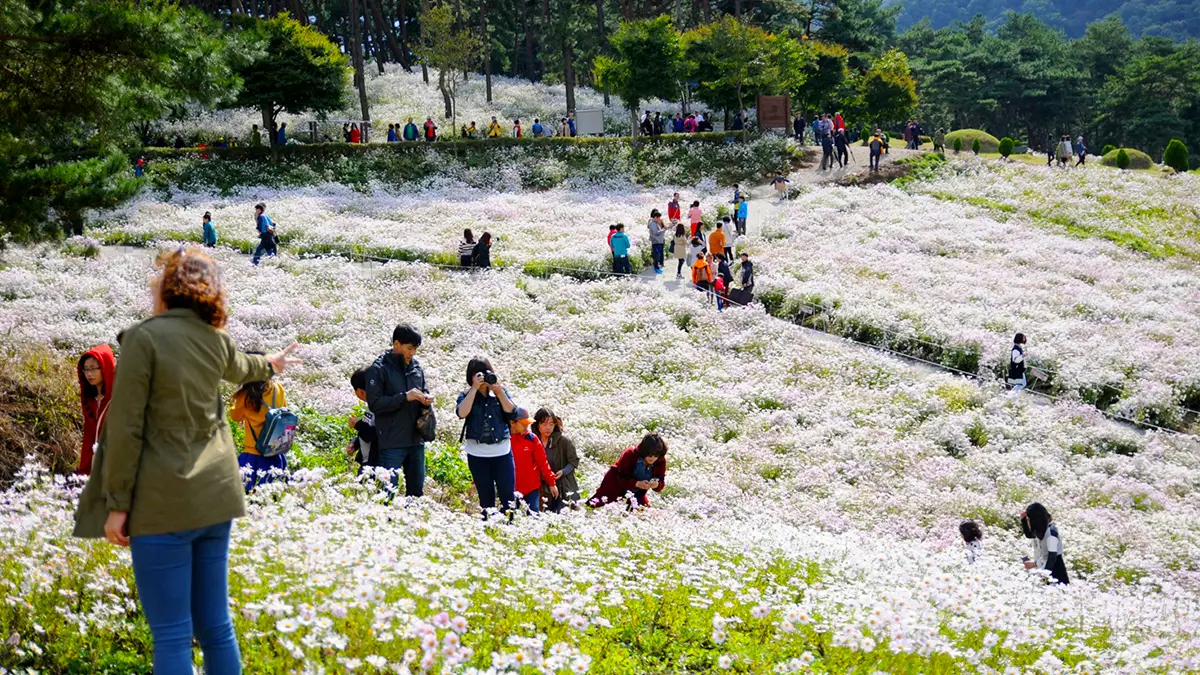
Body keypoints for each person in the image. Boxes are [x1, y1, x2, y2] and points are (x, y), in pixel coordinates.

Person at [72, 248, 301, 675]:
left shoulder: (144, 337)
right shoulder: (214, 339)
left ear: (165, 288)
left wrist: (117, 506)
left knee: (173, 634)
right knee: (217, 628)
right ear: (211, 295)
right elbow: (246, 365)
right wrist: (274, 363)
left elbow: (125, 428)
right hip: (216, 499)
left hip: (164, 503)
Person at [365, 324, 433, 499]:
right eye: (409, 348)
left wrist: (425, 399)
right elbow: (375, 403)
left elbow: (422, 390)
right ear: (396, 344)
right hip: (392, 442)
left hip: (416, 441)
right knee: (386, 495)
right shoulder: (378, 368)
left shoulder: (416, 367)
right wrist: (405, 397)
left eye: (415, 349)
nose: (412, 353)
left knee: (416, 495)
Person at [457, 358, 518, 517]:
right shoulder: (466, 394)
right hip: (477, 454)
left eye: (485, 373)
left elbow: (513, 412)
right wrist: (474, 389)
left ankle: (509, 529)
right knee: (486, 498)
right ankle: (489, 530)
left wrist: (499, 392)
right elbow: (461, 413)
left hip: (502, 453)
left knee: (508, 496)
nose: (482, 378)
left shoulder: (499, 392)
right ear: (471, 376)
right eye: (478, 374)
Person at [230, 360, 289, 492]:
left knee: (247, 497)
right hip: (275, 454)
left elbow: (234, 416)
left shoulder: (245, 396)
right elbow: (284, 410)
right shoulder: (278, 388)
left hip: (253, 455)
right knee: (273, 499)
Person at [586, 433, 668, 509]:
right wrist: (637, 483)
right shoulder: (630, 454)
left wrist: (656, 485)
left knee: (643, 512)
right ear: (644, 451)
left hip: (636, 492)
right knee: (597, 505)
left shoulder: (660, 461)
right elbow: (621, 477)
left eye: (656, 455)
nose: (652, 458)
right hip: (614, 484)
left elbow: (661, 481)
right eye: (649, 454)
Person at [76, 345, 116, 476]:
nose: (89, 374)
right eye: (86, 369)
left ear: (105, 367)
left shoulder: (119, 398)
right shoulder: (90, 400)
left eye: (93, 369)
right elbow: (89, 435)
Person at [510, 407, 557, 513]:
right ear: (512, 423)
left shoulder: (532, 439)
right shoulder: (504, 440)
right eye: (523, 424)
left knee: (534, 516)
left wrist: (552, 483)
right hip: (511, 487)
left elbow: (543, 463)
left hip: (532, 487)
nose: (527, 426)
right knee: (510, 517)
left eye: (528, 423)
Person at [534, 409, 578, 512]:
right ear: (537, 425)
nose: (548, 428)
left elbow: (573, 461)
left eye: (551, 424)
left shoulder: (563, 441)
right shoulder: (533, 441)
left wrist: (563, 471)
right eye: (544, 424)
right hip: (541, 486)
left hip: (562, 485)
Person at [1020, 503, 1069, 584]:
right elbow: (1029, 535)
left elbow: (1052, 558)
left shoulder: (1051, 534)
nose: (1028, 521)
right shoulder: (1040, 529)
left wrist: (1043, 576)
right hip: (1044, 567)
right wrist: (1023, 519)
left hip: (1055, 571)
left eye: (1029, 519)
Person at [345, 368, 378, 473]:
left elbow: (380, 435)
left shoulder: (379, 407)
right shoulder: (372, 405)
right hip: (367, 460)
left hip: (375, 464)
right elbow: (368, 429)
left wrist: (358, 425)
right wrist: (355, 444)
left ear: (360, 391)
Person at [647, 209, 667, 274]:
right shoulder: (652, 223)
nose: (659, 219)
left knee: (658, 255)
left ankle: (657, 266)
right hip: (656, 242)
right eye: (658, 218)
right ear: (655, 217)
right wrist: (663, 230)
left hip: (659, 241)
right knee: (657, 255)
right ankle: (656, 268)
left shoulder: (655, 223)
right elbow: (656, 233)